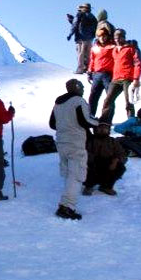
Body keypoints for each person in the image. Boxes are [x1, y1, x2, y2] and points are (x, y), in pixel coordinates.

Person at [50, 79, 100, 220]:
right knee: (76, 176)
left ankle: (66, 203)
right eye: (82, 87)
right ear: (77, 87)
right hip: (75, 143)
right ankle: (66, 207)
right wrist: (97, 122)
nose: (84, 89)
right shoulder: (78, 100)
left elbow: (52, 124)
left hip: (61, 142)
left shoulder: (58, 103)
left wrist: (65, 126)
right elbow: (85, 120)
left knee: (68, 174)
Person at [100, 28, 141, 122]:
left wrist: (136, 79)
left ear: (124, 37)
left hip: (128, 78)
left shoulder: (131, 48)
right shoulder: (114, 49)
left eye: (119, 37)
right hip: (116, 79)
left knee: (129, 102)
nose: (117, 40)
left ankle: (130, 124)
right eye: (115, 38)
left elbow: (138, 63)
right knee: (107, 100)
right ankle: (103, 123)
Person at [83, 123, 127, 196]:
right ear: (95, 130)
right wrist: (93, 159)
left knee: (120, 168)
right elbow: (85, 153)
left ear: (108, 130)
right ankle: (89, 186)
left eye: (105, 128)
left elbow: (122, 154)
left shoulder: (113, 141)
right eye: (100, 128)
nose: (102, 130)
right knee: (88, 166)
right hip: (94, 163)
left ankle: (106, 187)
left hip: (109, 163)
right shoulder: (90, 141)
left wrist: (116, 160)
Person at [87, 28, 116, 115]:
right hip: (97, 75)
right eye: (100, 36)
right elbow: (92, 60)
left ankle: (107, 119)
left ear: (107, 36)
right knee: (93, 97)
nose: (102, 38)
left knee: (109, 98)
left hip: (109, 75)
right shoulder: (95, 47)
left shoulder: (113, 46)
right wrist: (89, 71)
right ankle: (91, 116)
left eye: (104, 36)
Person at [66, 3, 98, 74]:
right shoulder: (93, 17)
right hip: (90, 39)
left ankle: (80, 69)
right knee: (88, 54)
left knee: (80, 54)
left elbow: (75, 25)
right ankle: (88, 69)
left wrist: (70, 34)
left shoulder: (80, 14)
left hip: (80, 38)